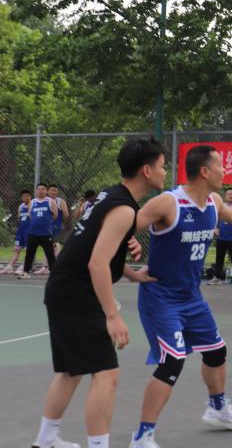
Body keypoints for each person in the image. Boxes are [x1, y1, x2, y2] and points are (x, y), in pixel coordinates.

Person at [128, 145, 232, 448]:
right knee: (172, 363)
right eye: (220, 166)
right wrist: (129, 259)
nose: (225, 171)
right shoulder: (168, 203)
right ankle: (142, 435)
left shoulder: (213, 201)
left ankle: (217, 408)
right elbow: (121, 224)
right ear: (204, 171)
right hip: (161, 297)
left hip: (192, 297)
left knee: (216, 352)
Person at [29, 137, 166, 448]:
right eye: (161, 166)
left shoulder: (111, 196)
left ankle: (45, 441)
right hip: (77, 294)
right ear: (146, 170)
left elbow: (93, 249)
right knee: (106, 374)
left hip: (64, 288)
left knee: (71, 370)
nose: (164, 171)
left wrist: (133, 274)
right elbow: (96, 263)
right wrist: (112, 315)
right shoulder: (123, 209)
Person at [20, 184, 58, 280]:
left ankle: (54, 274)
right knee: (29, 253)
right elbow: (30, 215)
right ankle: (26, 272)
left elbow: (55, 215)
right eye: (39, 189)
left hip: (46, 233)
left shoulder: (50, 201)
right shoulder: (32, 202)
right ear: (36, 191)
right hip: (33, 233)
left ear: (46, 191)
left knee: (50, 253)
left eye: (43, 189)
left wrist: (47, 223)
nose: (40, 191)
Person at [209, 187, 232, 286]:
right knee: (219, 259)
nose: (230, 196)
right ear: (225, 196)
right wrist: (214, 228)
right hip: (221, 237)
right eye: (228, 194)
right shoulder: (221, 206)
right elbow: (211, 217)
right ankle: (217, 278)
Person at [1, 189, 31, 275]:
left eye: (27, 196)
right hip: (20, 231)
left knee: (28, 250)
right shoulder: (21, 206)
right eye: (24, 196)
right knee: (17, 249)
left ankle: (24, 267)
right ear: (21, 198)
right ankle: (9, 267)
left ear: (30, 197)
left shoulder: (33, 205)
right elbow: (19, 218)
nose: (26, 197)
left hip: (29, 231)